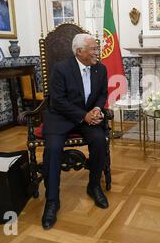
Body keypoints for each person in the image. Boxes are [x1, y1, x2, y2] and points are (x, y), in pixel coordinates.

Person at [41, 33, 109, 230]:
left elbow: (102, 93)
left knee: (99, 141)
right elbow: (58, 101)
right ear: (79, 52)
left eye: (97, 48)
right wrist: (84, 115)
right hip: (61, 118)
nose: (98, 52)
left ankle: (94, 185)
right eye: (93, 49)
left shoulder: (100, 69)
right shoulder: (61, 69)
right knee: (52, 149)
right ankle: (52, 200)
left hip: (87, 117)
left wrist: (96, 110)